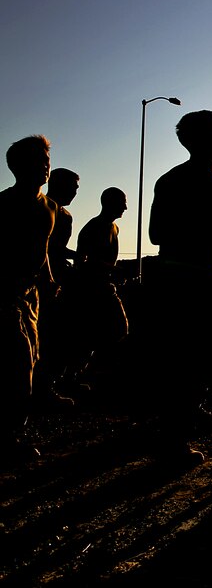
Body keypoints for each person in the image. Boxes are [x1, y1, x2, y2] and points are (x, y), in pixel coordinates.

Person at [146, 110, 212, 464]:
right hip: (182, 279)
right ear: (195, 141)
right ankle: (174, 439)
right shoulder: (173, 182)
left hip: (211, 277)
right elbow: (157, 233)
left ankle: (191, 411)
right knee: (185, 358)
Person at [0, 135, 56, 461]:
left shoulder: (49, 207)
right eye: (39, 160)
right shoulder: (4, 205)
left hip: (30, 296)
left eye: (47, 160)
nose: (46, 166)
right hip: (4, 295)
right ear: (18, 166)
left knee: (31, 358)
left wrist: (47, 279)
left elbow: (43, 249)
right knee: (18, 362)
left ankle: (12, 431)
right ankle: (8, 437)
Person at [65, 187, 130, 391]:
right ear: (110, 203)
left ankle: (78, 373)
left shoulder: (114, 228)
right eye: (122, 202)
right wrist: (114, 270)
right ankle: (75, 374)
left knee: (111, 330)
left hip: (104, 286)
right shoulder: (94, 227)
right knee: (95, 332)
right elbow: (84, 261)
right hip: (90, 288)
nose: (126, 207)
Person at [35, 166, 80, 408]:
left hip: (58, 279)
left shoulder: (66, 216)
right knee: (46, 336)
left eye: (76, 189)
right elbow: (44, 249)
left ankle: (50, 383)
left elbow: (57, 249)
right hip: (41, 280)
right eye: (72, 187)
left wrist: (73, 257)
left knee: (58, 335)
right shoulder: (42, 208)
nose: (74, 193)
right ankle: (40, 388)